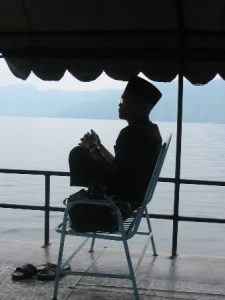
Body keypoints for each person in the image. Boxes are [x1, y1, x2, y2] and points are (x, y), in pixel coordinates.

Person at [68, 75, 162, 231]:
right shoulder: (149, 130)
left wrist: (93, 149)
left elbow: (115, 170)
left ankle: (93, 193)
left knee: (78, 153)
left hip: (124, 196)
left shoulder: (132, 133)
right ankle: (93, 190)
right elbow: (120, 165)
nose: (120, 105)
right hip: (135, 193)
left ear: (140, 106)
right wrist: (99, 146)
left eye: (125, 101)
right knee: (82, 153)